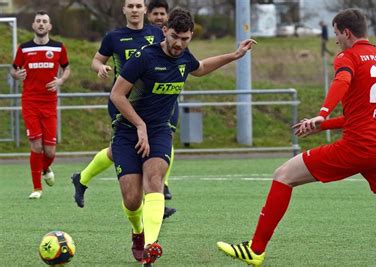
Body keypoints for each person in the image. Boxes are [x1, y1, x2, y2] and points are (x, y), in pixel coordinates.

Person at [217, 9, 376, 267]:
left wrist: (322, 113)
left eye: (337, 33)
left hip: (359, 147)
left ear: (346, 32)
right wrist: (323, 124)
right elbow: (368, 114)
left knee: (283, 175)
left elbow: (342, 80)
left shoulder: (347, 56)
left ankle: (255, 249)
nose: (336, 39)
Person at [110, 7, 256, 264]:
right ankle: (137, 231)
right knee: (132, 200)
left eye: (185, 39)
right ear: (164, 31)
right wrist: (139, 125)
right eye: (175, 36)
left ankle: (150, 248)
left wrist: (234, 55)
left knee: (154, 179)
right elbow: (117, 95)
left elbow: (199, 68)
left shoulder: (184, 57)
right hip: (127, 131)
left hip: (158, 131)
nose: (179, 43)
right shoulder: (143, 57)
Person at [70, 0, 176, 219]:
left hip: (155, 103)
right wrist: (101, 68)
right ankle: (155, 196)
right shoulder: (114, 37)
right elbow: (96, 61)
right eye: (131, 6)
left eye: (139, 6)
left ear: (144, 10)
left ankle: (156, 192)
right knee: (126, 147)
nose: (135, 10)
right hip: (123, 102)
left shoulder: (157, 34)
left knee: (155, 141)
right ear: (124, 10)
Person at [10, 10, 70, 199]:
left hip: (50, 103)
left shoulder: (59, 47)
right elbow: (14, 69)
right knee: (36, 146)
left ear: (49, 26)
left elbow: (66, 68)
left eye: (45, 21)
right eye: (38, 21)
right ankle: (37, 188)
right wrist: (16, 74)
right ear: (34, 26)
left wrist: (60, 81)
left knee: (50, 150)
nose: (41, 24)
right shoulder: (24, 48)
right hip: (30, 102)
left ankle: (45, 168)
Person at [146, 0, 174, 200]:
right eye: (155, 13)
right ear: (149, 15)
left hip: (168, 99)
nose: (158, 17)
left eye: (162, 13)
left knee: (167, 138)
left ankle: (163, 185)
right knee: (119, 150)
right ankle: (83, 178)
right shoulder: (138, 37)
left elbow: (195, 65)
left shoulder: (173, 37)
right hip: (138, 102)